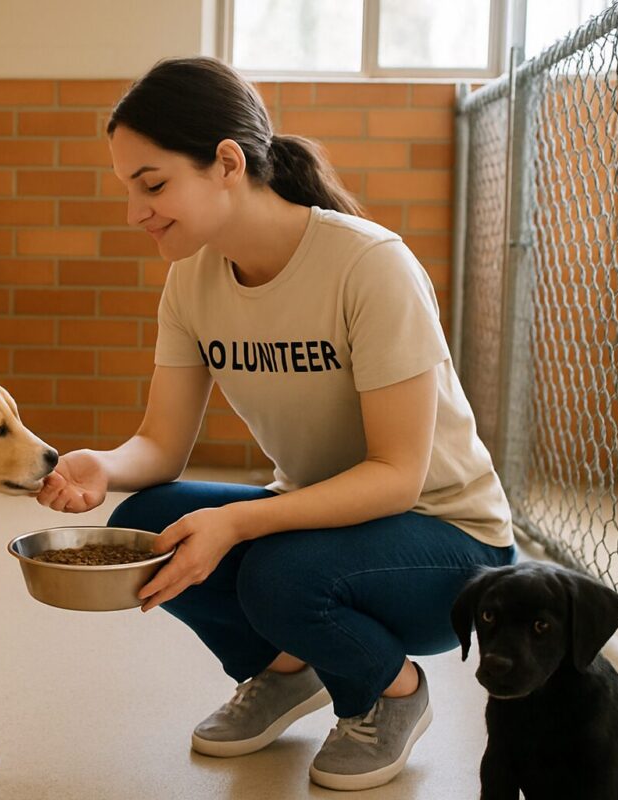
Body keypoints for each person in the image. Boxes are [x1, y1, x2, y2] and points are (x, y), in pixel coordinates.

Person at [33, 56, 515, 792]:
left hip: (449, 547)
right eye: (128, 189)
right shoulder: (191, 281)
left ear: (227, 163)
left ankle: (391, 693)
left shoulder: (369, 265)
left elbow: (396, 477)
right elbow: (160, 446)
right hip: (329, 527)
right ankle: (286, 669)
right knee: (149, 521)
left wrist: (239, 524)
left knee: (276, 571)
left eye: (152, 184)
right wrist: (102, 464)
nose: (135, 212)